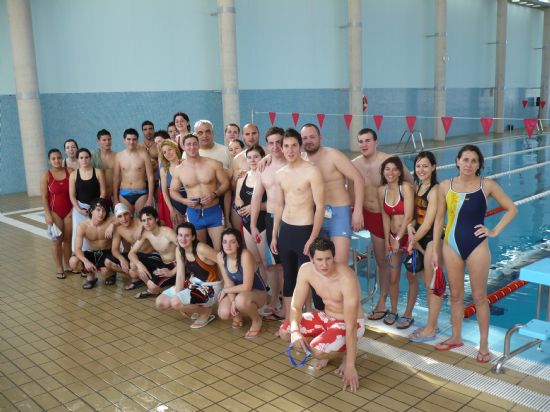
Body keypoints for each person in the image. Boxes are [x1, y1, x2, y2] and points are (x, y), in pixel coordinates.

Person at [432, 145, 516, 362]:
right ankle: (456, 337)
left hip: (477, 245)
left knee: (479, 297)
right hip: (450, 245)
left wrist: (494, 231)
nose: (469, 164)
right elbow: (439, 219)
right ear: (457, 161)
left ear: (479, 165)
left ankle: (484, 344)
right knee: (456, 295)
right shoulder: (444, 186)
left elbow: (511, 208)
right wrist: (435, 248)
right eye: (465, 159)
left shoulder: (486, 185)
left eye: (474, 161)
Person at [279, 237, 365, 393]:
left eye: (328, 259)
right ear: (311, 258)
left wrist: (350, 365)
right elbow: (296, 306)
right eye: (319, 259)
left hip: (351, 323)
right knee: (286, 331)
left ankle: (342, 353)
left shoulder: (346, 278)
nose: (324, 264)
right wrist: (296, 332)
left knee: (318, 351)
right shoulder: (306, 270)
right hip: (326, 318)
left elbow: (351, 326)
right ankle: (327, 346)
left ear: (334, 257)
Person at [351, 128, 413, 321]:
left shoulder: (389, 162)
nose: (364, 144)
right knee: (381, 261)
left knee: (382, 261)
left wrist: (410, 219)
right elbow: (350, 188)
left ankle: (383, 301)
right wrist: (356, 211)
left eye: (368, 140)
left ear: (376, 142)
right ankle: (384, 299)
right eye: (360, 141)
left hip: (382, 215)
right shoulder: (354, 164)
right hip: (364, 214)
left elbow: (410, 184)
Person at [271, 128, 324, 317]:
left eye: (294, 145)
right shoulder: (280, 174)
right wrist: (274, 234)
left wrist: (312, 238)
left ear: (300, 147)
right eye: (286, 146)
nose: (290, 150)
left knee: (312, 278)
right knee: (289, 277)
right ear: (282, 149)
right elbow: (279, 206)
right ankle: (289, 320)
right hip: (286, 230)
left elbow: (320, 208)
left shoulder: (312, 172)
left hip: (305, 230)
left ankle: (316, 318)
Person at [301, 123, 365, 263]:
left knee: (340, 263)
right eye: (305, 138)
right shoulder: (301, 160)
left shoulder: (333, 155)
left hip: (339, 214)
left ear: (320, 137)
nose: (308, 141)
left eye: (312, 137)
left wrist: (357, 211)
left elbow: (358, 178)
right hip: (316, 216)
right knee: (321, 264)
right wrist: (266, 158)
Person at [156, 223, 223, 328]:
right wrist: (179, 300)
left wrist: (227, 285)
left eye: (187, 235)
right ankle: (198, 307)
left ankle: (206, 311)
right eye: (180, 235)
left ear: (193, 237)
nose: (183, 239)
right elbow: (180, 276)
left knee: (175, 302)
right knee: (161, 302)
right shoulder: (179, 249)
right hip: (194, 283)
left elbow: (222, 260)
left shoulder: (201, 249)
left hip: (211, 286)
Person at [170, 134, 230, 251]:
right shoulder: (179, 170)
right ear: (183, 146)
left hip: (214, 212)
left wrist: (214, 194)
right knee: (199, 251)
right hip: (193, 213)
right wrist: (184, 200)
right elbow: (173, 191)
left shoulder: (213, 163)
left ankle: (219, 269)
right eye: (188, 144)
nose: (192, 147)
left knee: (220, 251)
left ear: (199, 145)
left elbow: (226, 183)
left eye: (194, 144)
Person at [250, 127, 287, 319]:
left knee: (286, 265)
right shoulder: (263, 167)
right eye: (271, 143)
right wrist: (253, 224)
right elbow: (256, 197)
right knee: (272, 265)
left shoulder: (293, 161)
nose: (276, 146)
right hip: (271, 218)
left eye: (279, 142)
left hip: (291, 219)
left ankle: (288, 304)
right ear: (266, 144)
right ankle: (275, 299)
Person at [407, 152, 443, 341]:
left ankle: (431, 328)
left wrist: (412, 241)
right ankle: (433, 323)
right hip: (420, 237)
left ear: (434, 168)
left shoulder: (435, 190)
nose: (421, 169)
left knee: (432, 286)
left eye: (425, 166)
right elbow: (417, 217)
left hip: (431, 240)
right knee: (426, 283)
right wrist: (409, 226)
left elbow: (428, 223)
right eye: (418, 166)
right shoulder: (418, 186)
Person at [377, 156, 414, 327]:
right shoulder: (381, 191)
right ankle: (393, 309)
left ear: (400, 172)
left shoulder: (405, 188)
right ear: (383, 172)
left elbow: (409, 215)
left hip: (408, 236)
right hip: (393, 237)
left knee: (411, 277)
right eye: (387, 169)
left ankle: (408, 313)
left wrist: (399, 238)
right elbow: (385, 217)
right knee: (393, 277)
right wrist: (388, 241)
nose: (390, 173)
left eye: (394, 169)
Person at [217, 228, 269, 338]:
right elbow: (228, 282)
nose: (228, 245)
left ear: (239, 244)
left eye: (232, 242)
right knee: (223, 313)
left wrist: (226, 291)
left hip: (257, 292)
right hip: (237, 293)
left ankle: (257, 321)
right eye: (225, 242)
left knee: (240, 300)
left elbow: (247, 286)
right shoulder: (221, 256)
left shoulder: (245, 255)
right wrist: (232, 301)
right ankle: (239, 316)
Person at [234, 145, 269, 285]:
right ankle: (264, 288)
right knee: (257, 261)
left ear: (262, 158)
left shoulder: (267, 176)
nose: (253, 160)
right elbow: (237, 198)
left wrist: (253, 207)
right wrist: (240, 209)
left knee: (267, 262)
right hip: (247, 223)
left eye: (256, 157)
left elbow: (274, 203)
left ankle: (275, 291)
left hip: (263, 223)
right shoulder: (243, 177)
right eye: (249, 157)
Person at [128, 207, 178, 298]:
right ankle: (153, 287)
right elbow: (131, 253)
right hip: (162, 262)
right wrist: (139, 264)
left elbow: (186, 251)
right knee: (133, 264)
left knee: (152, 285)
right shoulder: (146, 234)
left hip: (174, 265)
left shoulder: (168, 232)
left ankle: (157, 288)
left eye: (149, 219)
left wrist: (173, 271)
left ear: (156, 219)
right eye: (143, 220)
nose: (146, 223)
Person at [40, 148, 74, 279]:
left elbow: (76, 192)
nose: (57, 161)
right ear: (49, 161)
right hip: (54, 212)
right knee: (57, 240)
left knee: (68, 239)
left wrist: (74, 209)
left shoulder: (70, 171)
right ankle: (59, 267)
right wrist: (47, 215)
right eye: (53, 159)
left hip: (69, 211)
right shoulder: (46, 176)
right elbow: (43, 197)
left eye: (59, 158)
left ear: (62, 158)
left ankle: (68, 264)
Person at [104, 202, 154, 289]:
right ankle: (138, 276)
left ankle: (140, 275)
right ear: (117, 219)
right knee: (107, 262)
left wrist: (142, 225)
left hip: (149, 256)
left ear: (130, 214)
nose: (124, 218)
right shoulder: (119, 229)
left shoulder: (140, 222)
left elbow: (161, 222)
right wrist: (122, 259)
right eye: (120, 216)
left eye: (125, 214)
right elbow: (114, 249)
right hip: (135, 256)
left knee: (132, 266)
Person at [69, 198, 115, 289]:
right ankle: (90, 276)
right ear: (91, 211)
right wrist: (86, 262)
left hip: (107, 253)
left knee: (105, 272)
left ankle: (112, 274)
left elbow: (125, 218)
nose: (101, 213)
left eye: (104, 210)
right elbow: (77, 249)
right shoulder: (83, 226)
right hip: (92, 252)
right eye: (98, 210)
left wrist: (113, 225)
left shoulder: (110, 221)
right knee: (73, 262)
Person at [69, 148, 106, 252]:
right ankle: (81, 259)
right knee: (79, 235)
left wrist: (96, 208)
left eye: (86, 157)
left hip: (96, 208)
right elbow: (72, 195)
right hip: (80, 209)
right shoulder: (73, 175)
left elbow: (103, 192)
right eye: (81, 158)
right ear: (77, 160)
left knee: (96, 233)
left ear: (90, 158)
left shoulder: (98, 172)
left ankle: (97, 257)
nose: (84, 160)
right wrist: (79, 209)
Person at [113, 128, 155, 215]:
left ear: (137, 140)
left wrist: (150, 197)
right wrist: (116, 198)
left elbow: (150, 177)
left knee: (142, 219)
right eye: (129, 139)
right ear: (124, 140)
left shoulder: (144, 154)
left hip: (141, 193)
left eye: (134, 139)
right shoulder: (119, 156)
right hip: (124, 194)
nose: (131, 142)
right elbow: (116, 178)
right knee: (127, 223)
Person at [159, 140, 186, 227]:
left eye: (170, 149)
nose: (168, 153)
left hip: (191, 204)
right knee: (179, 233)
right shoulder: (164, 170)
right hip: (176, 206)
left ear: (175, 149)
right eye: (165, 152)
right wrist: (171, 209)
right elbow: (164, 192)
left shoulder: (186, 163)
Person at [91, 129, 116, 207]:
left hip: (114, 194)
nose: (107, 142)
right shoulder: (93, 156)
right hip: (98, 194)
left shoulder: (117, 156)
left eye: (109, 139)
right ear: (98, 142)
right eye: (104, 140)